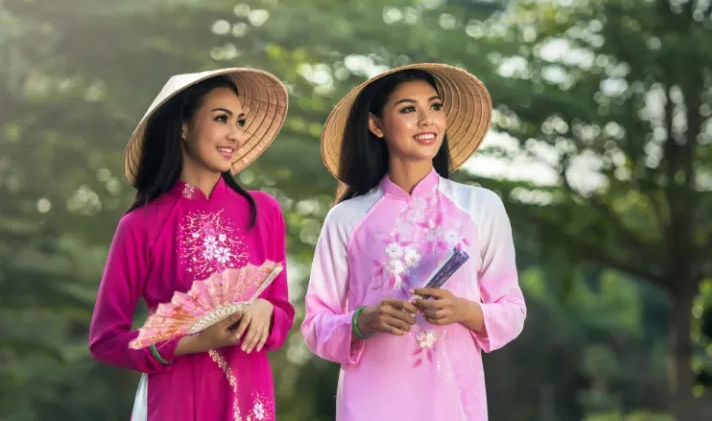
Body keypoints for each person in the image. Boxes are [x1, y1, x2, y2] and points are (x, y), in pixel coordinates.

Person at [301, 63, 527, 420]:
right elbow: (315, 326)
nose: (427, 120)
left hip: (454, 402)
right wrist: (364, 320)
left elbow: (512, 310)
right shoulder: (346, 219)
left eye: (435, 107)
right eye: (409, 109)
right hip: (370, 402)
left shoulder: (481, 207)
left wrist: (464, 310)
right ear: (376, 125)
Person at [89, 68, 295, 421]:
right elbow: (106, 339)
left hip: (250, 397)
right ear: (183, 127)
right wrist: (196, 341)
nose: (235, 135)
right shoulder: (141, 225)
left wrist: (265, 311)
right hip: (175, 399)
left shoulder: (263, 211)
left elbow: (282, 313)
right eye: (221, 118)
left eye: (240, 122)